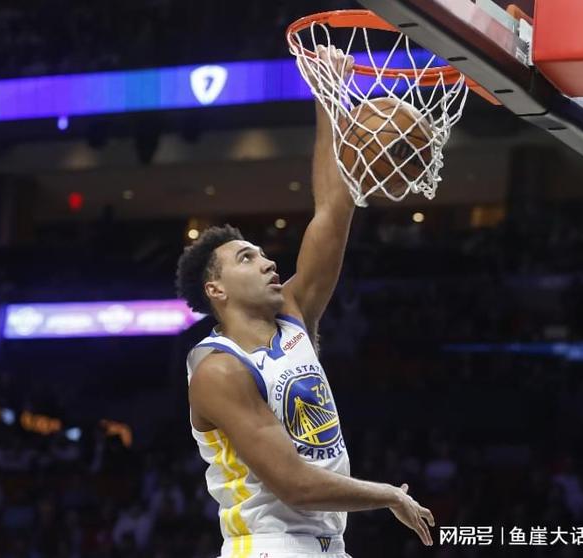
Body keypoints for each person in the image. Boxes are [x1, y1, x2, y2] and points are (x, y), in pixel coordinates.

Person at [175, 47, 434, 558]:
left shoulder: (292, 316)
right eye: (247, 258)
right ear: (216, 290)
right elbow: (294, 484)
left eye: (261, 253)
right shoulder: (218, 370)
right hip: (268, 545)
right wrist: (388, 495)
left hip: (324, 544)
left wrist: (328, 94)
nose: (268, 261)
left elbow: (332, 209)